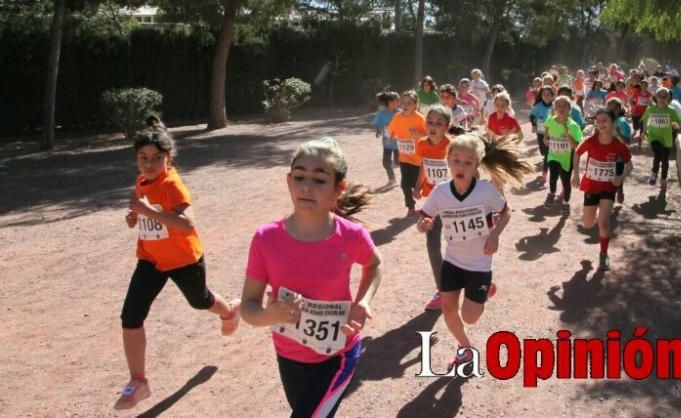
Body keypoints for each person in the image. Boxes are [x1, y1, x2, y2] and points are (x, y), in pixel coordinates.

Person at [241, 138, 382, 418]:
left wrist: (363, 301)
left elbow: (374, 265)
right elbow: (248, 306)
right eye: (299, 176)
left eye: (319, 179)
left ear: (338, 188)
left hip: (338, 355)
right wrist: (272, 315)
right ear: (288, 181)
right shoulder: (266, 239)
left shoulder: (351, 236)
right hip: (288, 355)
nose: (306, 186)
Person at [115, 116, 240, 411]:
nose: (148, 164)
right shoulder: (142, 181)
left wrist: (146, 209)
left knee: (201, 301)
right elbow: (147, 215)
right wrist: (135, 217)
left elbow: (186, 225)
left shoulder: (172, 184)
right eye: (142, 158)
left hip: (184, 259)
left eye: (156, 158)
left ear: (168, 159)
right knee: (130, 316)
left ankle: (230, 311)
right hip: (151, 259)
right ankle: (138, 381)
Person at [416, 133, 532, 368]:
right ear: (447, 161)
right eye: (456, 160)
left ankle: (485, 288)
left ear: (476, 165)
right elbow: (424, 218)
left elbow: (507, 212)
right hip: (453, 261)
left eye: (468, 162)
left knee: (470, 317)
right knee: (448, 310)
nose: (461, 166)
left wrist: (495, 235)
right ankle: (465, 348)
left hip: (479, 264)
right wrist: (423, 225)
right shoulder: (440, 192)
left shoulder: (485, 191)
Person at [572, 109, 633, 271]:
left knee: (604, 223)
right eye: (598, 121)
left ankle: (603, 255)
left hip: (608, 188)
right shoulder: (590, 141)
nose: (601, 124)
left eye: (605, 120)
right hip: (591, 187)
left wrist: (621, 178)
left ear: (613, 123)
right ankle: (596, 214)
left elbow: (629, 165)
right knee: (587, 223)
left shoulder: (618, 145)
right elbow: (577, 153)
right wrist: (576, 173)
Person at [413, 105, 453, 311]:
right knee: (432, 243)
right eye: (430, 122)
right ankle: (442, 289)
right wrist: (419, 185)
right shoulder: (421, 144)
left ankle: (476, 275)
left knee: (458, 243)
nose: (433, 127)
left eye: (439, 123)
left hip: (453, 202)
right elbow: (424, 164)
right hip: (433, 202)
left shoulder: (452, 146)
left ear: (447, 126)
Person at [385, 91, 427, 217]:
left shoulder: (420, 118)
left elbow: (429, 136)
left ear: (415, 104)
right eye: (403, 103)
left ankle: (431, 205)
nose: (405, 105)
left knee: (419, 185)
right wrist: (390, 138)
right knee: (404, 185)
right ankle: (411, 206)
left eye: (409, 103)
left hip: (419, 159)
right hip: (404, 158)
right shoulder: (397, 117)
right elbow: (392, 129)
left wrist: (418, 135)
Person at [543, 95, 584, 214]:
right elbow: (546, 128)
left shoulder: (573, 126)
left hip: (567, 159)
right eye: (558, 105)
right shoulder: (550, 120)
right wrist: (545, 138)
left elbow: (576, 146)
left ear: (569, 109)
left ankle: (566, 203)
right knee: (553, 173)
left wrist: (567, 132)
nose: (561, 108)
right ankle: (551, 193)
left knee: (566, 182)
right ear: (555, 108)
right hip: (553, 155)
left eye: (564, 106)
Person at [641, 88, 681, 195]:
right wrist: (644, 131)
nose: (662, 99)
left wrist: (677, 126)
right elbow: (645, 119)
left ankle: (663, 178)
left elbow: (679, 123)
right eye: (660, 96)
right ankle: (654, 173)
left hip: (667, 138)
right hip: (654, 136)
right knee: (657, 153)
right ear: (656, 97)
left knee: (665, 159)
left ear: (668, 99)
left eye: (665, 97)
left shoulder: (671, 110)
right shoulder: (650, 109)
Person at [372, 91, 400, 183]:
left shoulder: (400, 113)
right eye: (394, 101)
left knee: (398, 162)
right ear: (388, 102)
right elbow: (377, 123)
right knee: (385, 163)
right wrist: (378, 130)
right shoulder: (382, 113)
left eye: (397, 101)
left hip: (398, 143)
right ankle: (392, 178)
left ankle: (396, 165)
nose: (396, 103)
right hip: (387, 143)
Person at [530, 86, 555, 181]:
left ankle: (544, 174)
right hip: (540, 132)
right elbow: (532, 116)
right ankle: (548, 159)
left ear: (552, 95)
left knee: (548, 153)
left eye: (548, 94)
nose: (546, 96)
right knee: (543, 152)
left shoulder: (554, 106)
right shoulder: (538, 106)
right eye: (544, 94)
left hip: (551, 133)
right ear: (541, 95)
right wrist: (533, 125)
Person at [630, 79, 651, 147]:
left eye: (645, 85)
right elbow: (631, 100)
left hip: (644, 113)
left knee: (642, 127)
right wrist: (632, 106)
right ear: (641, 86)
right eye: (643, 85)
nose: (644, 86)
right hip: (635, 112)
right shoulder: (637, 93)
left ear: (647, 86)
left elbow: (650, 102)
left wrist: (649, 106)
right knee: (636, 127)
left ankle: (640, 140)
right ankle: (636, 129)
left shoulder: (649, 94)